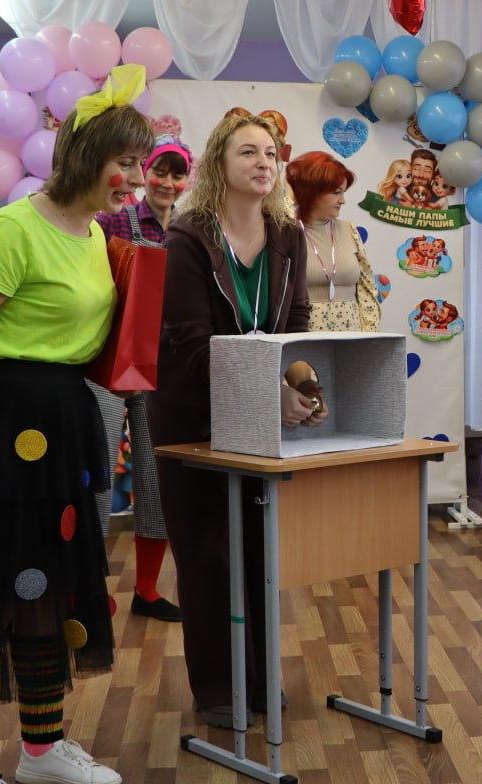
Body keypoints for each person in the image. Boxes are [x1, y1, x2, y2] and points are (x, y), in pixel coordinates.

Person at [0, 65, 153, 784]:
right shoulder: (12, 228)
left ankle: (44, 754)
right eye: (125, 162)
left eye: (140, 164)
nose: (136, 179)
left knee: (50, 589)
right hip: (1, 428)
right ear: (86, 155)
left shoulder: (92, 236)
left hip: (63, 426)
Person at [149, 111, 326, 729]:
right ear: (218, 165)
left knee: (257, 552)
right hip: (191, 415)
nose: (264, 162)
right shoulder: (188, 235)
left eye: (271, 153)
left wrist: (304, 385)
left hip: (257, 413)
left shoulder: (287, 233)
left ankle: (260, 679)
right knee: (207, 556)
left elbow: (295, 322)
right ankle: (220, 688)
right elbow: (191, 344)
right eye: (248, 151)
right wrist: (270, 391)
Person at [90, 135, 194, 623]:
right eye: (160, 172)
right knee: (95, 476)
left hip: (165, 369)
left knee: (158, 479)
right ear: (144, 174)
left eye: (178, 175)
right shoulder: (112, 221)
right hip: (109, 363)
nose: (168, 183)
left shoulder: (193, 230)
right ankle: (88, 590)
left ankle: (148, 591)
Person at [286, 150, 381, 332]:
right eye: (337, 193)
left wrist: (370, 336)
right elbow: (277, 217)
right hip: (304, 339)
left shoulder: (349, 230)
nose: (343, 201)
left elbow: (367, 290)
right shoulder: (287, 232)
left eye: (343, 192)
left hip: (352, 341)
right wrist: (290, 196)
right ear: (311, 193)